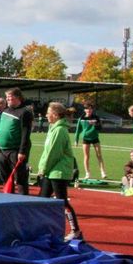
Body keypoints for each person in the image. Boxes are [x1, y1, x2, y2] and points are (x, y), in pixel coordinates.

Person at [38, 102, 82, 241]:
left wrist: (43, 169)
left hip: (58, 171)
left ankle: (75, 231)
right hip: (52, 170)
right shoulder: (54, 128)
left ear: (56, 115)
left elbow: (53, 153)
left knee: (62, 201)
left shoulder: (59, 130)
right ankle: (43, 229)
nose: (46, 115)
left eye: (48, 112)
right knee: (42, 200)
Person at [0, 88, 33, 195]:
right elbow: (1, 129)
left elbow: (26, 133)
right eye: (7, 97)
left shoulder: (25, 112)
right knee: (6, 178)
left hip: (16, 151)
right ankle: (8, 199)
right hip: (3, 150)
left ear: (18, 98)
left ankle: (23, 201)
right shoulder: (5, 111)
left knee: (20, 178)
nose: (7, 99)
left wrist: (22, 151)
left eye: (10, 97)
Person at [74, 102, 106, 180]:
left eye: (90, 109)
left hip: (95, 138)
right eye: (87, 109)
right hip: (85, 139)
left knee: (99, 155)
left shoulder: (96, 117)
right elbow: (78, 130)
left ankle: (103, 172)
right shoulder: (81, 118)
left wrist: (94, 124)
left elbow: (100, 128)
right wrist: (76, 140)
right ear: (84, 110)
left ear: (92, 109)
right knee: (86, 156)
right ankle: (87, 173)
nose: (89, 110)